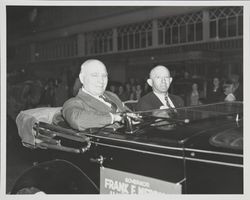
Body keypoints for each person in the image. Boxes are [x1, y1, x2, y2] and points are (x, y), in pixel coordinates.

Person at [62, 59, 131, 131]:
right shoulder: (73, 102)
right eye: (94, 75)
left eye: (104, 76)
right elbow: (77, 120)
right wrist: (114, 117)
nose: (101, 81)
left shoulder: (112, 95)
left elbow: (128, 112)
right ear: (82, 78)